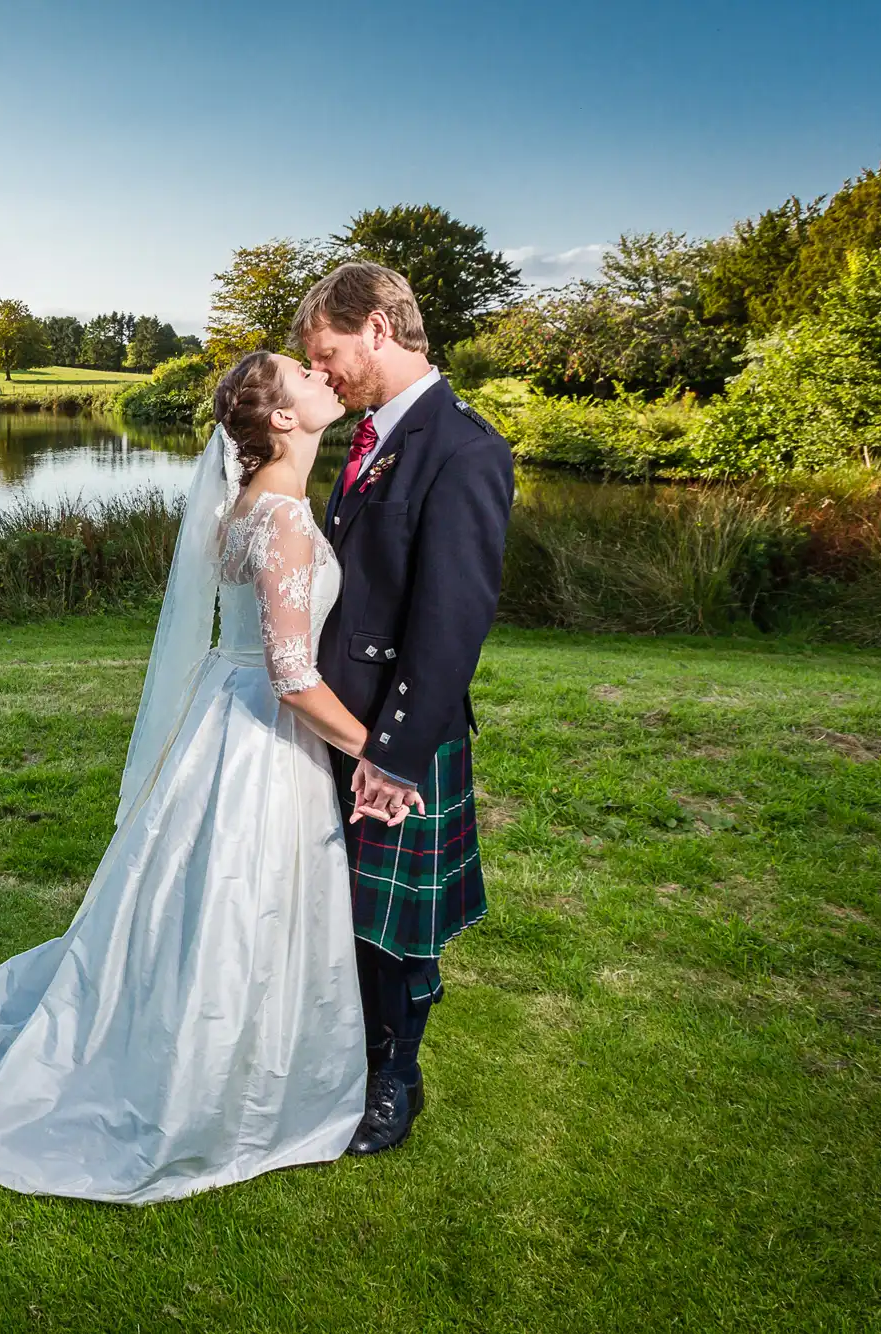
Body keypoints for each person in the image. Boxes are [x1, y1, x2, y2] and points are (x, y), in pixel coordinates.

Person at [0, 351, 373, 1203]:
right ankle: (214, 1086)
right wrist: (375, 751)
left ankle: (201, 1043)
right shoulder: (287, 522)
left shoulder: (248, 509)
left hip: (221, 718)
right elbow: (294, 676)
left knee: (202, 897)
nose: (321, 375)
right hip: (259, 735)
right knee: (242, 894)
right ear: (281, 419)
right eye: (303, 375)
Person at [296, 261, 515, 1155]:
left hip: (398, 730)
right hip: (342, 719)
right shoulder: (374, 437)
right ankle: (358, 1049)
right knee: (348, 908)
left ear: (378, 329)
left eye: (330, 352)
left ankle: (398, 1078)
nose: (322, 373)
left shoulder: (463, 447)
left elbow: (450, 623)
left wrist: (392, 753)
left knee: (397, 923)